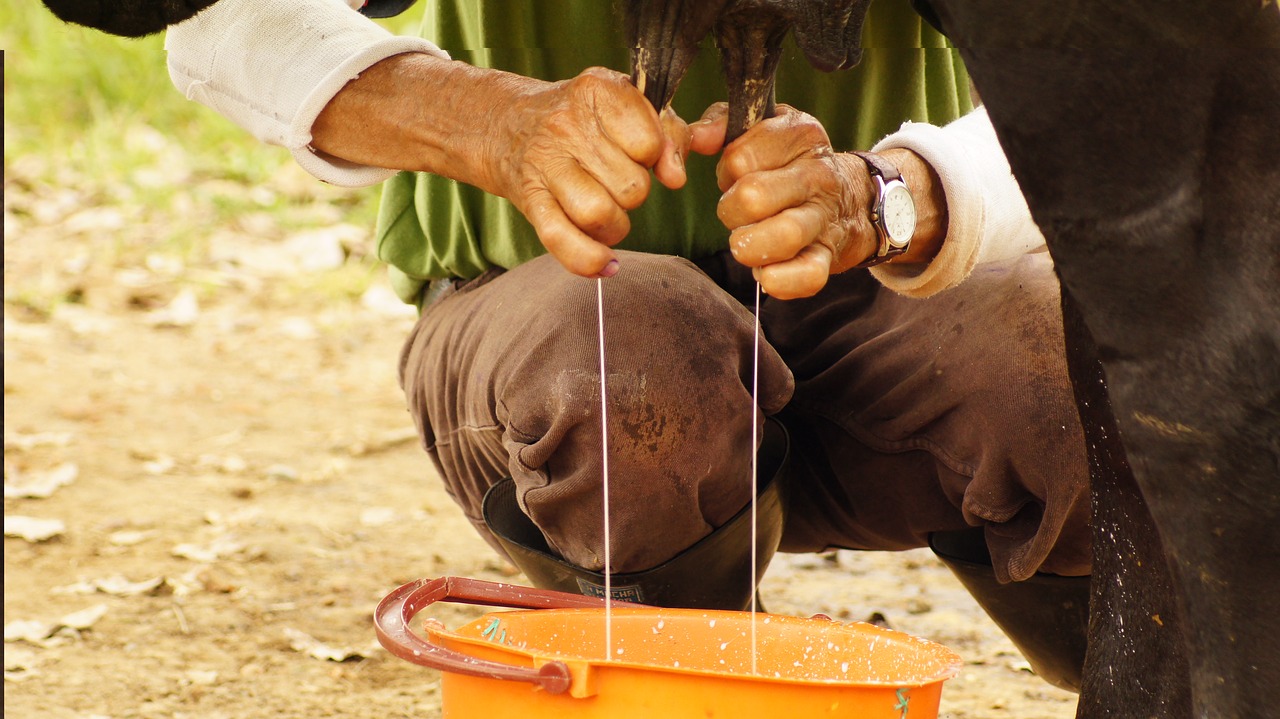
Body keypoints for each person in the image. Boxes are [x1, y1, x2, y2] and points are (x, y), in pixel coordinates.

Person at [163, 0, 1093, 690]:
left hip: (880, 303)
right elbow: (216, 19)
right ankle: (683, 693)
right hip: (557, 347)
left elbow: (1137, 73)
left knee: (1087, 374)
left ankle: (1155, 666)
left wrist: (903, 193)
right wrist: (490, 123)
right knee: (629, 366)